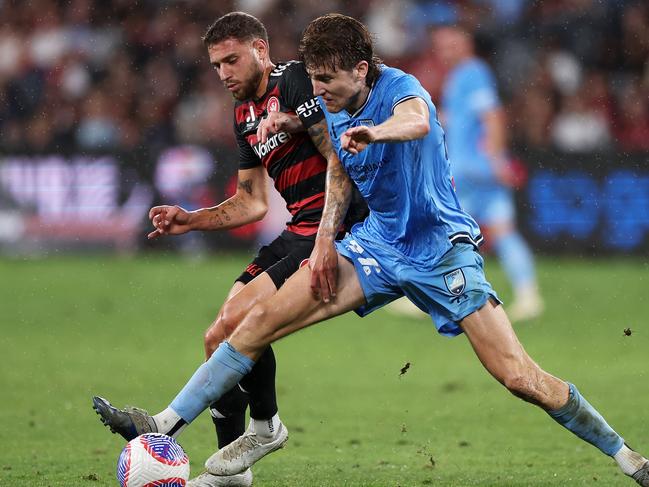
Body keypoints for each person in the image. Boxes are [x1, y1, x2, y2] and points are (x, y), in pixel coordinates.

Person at [94, 14, 649, 486]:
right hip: (377, 245)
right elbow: (336, 168)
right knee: (256, 321)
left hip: (442, 253)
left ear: (361, 69)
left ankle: (629, 459)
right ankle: (165, 425)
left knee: (520, 378)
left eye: (328, 80)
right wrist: (326, 245)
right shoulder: (326, 101)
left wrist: (376, 133)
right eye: (313, 79)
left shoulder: (403, 89)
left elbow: (414, 122)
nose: (319, 91)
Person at [93, 12, 366, 487]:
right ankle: (234, 473)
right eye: (216, 65)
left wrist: (298, 123)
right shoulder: (243, 114)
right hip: (297, 227)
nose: (223, 74)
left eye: (231, 60)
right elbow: (253, 201)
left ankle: (244, 426)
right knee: (216, 337)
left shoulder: (301, 80)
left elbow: (340, 153)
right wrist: (191, 220)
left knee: (238, 323)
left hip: (334, 229)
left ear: (261, 50)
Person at [431, 23, 543, 322]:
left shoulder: (472, 73)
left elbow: (492, 115)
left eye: (450, 44)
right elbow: (463, 120)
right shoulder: (460, 77)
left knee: (445, 234)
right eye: (440, 46)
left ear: (466, 43)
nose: (444, 51)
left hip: (473, 170)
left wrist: (495, 160)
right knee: (501, 232)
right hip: (477, 171)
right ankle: (528, 295)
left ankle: (432, 298)